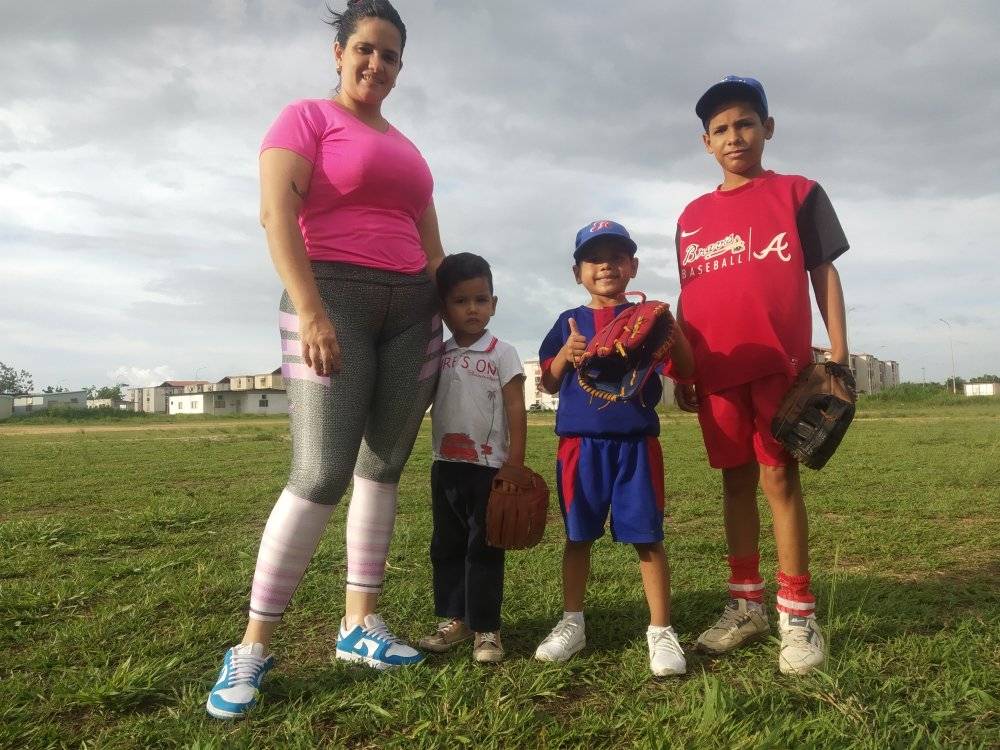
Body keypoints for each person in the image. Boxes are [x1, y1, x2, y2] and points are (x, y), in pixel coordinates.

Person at [207, 0, 446, 720]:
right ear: (339, 53)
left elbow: (432, 245)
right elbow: (276, 215)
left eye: (392, 55)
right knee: (318, 473)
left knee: (383, 467)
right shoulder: (304, 119)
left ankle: (358, 626)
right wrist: (310, 309)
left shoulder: (408, 149)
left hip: (413, 309)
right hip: (331, 294)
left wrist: (450, 313)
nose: (378, 64)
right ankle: (251, 644)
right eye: (366, 49)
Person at [673, 75, 850, 675]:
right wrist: (684, 370)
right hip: (717, 372)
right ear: (706, 143)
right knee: (733, 484)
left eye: (745, 123)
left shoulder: (799, 193)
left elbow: (823, 274)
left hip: (780, 368)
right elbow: (692, 296)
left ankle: (797, 614)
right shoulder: (692, 216)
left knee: (780, 483)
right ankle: (746, 604)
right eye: (720, 129)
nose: (734, 136)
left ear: (767, 128)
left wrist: (839, 360)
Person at [533, 220, 694, 677]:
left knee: (648, 537)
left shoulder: (649, 321)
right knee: (577, 536)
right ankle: (572, 622)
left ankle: (660, 630)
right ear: (577, 271)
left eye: (617, 256)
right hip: (581, 445)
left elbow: (687, 367)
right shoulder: (570, 321)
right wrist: (567, 353)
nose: (606, 264)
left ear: (633, 266)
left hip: (635, 445)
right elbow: (547, 380)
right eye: (594, 257)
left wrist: (673, 330)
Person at [417, 253, 526, 663]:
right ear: (444, 309)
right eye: (461, 301)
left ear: (494, 303)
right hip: (445, 465)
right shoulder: (438, 354)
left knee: (484, 547)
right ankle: (454, 620)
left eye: (481, 299)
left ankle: (486, 629)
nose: (472, 309)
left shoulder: (503, 353)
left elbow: (516, 408)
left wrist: (514, 464)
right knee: (446, 544)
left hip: (489, 470)